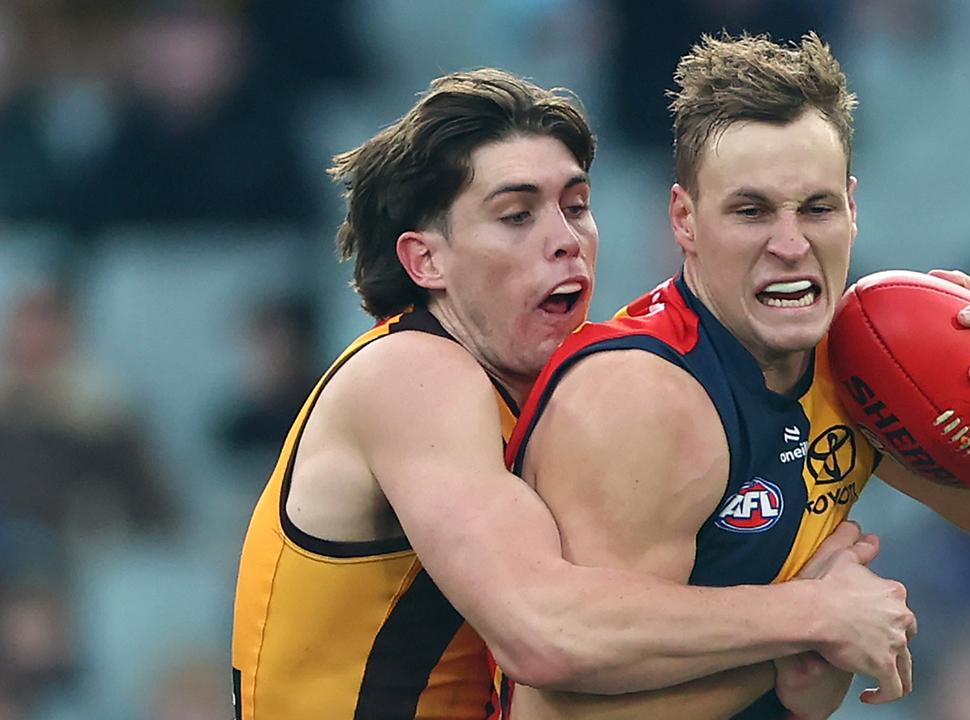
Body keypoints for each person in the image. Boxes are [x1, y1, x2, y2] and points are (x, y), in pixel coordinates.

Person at [231, 68, 916, 720]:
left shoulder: (583, 387)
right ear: (425, 260)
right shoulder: (410, 375)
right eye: (516, 215)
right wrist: (814, 617)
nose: (567, 240)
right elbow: (542, 630)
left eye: (577, 206)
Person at [501, 32, 970, 719]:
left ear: (852, 208)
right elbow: (557, 709)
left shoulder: (861, 356)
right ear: (685, 220)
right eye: (751, 212)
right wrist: (803, 638)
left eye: (816, 208)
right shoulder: (643, 398)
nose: (790, 244)